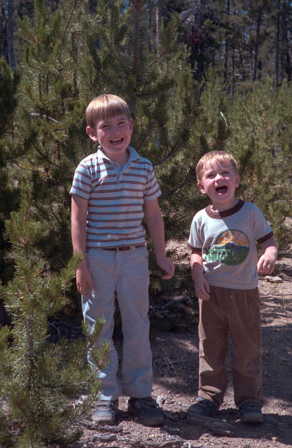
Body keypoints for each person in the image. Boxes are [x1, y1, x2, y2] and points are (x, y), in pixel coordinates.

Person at [70, 94, 174, 426]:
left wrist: (160, 253)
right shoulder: (88, 168)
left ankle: (141, 395)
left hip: (134, 257)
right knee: (98, 328)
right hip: (97, 257)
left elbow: (154, 214)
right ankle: (104, 397)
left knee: (137, 325)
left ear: (131, 126)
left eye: (120, 124)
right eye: (105, 127)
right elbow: (77, 217)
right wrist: (80, 262)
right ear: (92, 133)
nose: (115, 132)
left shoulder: (143, 166)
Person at [187, 150, 278, 424]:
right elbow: (195, 253)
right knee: (210, 347)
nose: (219, 178)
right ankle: (208, 396)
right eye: (211, 175)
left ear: (237, 180)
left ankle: (249, 401)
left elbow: (269, 241)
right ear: (202, 187)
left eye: (225, 173)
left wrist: (270, 255)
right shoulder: (200, 219)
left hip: (243, 294)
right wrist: (197, 276)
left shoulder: (250, 213)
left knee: (247, 347)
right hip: (210, 294)